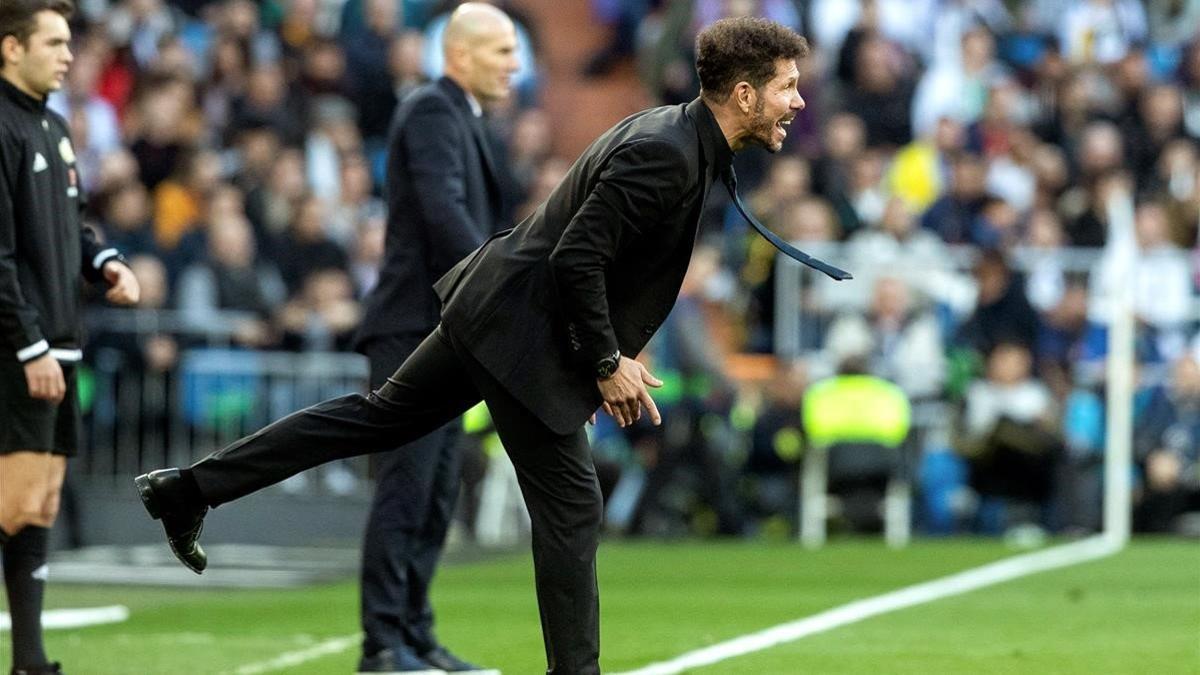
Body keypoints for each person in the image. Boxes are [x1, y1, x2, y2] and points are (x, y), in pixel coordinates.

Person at [136, 16, 817, 675]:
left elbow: (590, 260)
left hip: (501, 313)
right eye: (788, 85)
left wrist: (606, 355)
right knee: (573, 505)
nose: (799, 100)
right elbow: (576, 258)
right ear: (745, 93)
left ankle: (187, 488)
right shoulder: (667, 150)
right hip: (519, 330)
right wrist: (604, 362)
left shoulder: (680, 140)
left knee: (374, 417)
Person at [351, 4, 516, 673]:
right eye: (502, 51)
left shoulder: (465, 119)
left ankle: (415, 631)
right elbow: (443, 209)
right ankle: (382, 642)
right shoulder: (430, 110)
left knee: (438, 491)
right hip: (411, 328)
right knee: (406, 487)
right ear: (460, 55)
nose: (515, 63)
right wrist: (497, 285)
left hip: (448, 331)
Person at [0, 2, 140, 674]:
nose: (67, 54)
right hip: (16, 351)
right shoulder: (1, 128)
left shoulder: (53, 126)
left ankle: (30, 660)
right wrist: (27, 346)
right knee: (14, 502)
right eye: (53, 41)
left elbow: (70, 227)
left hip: (60, 344)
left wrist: (102, 261)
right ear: (9, 48)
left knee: (40, 506)